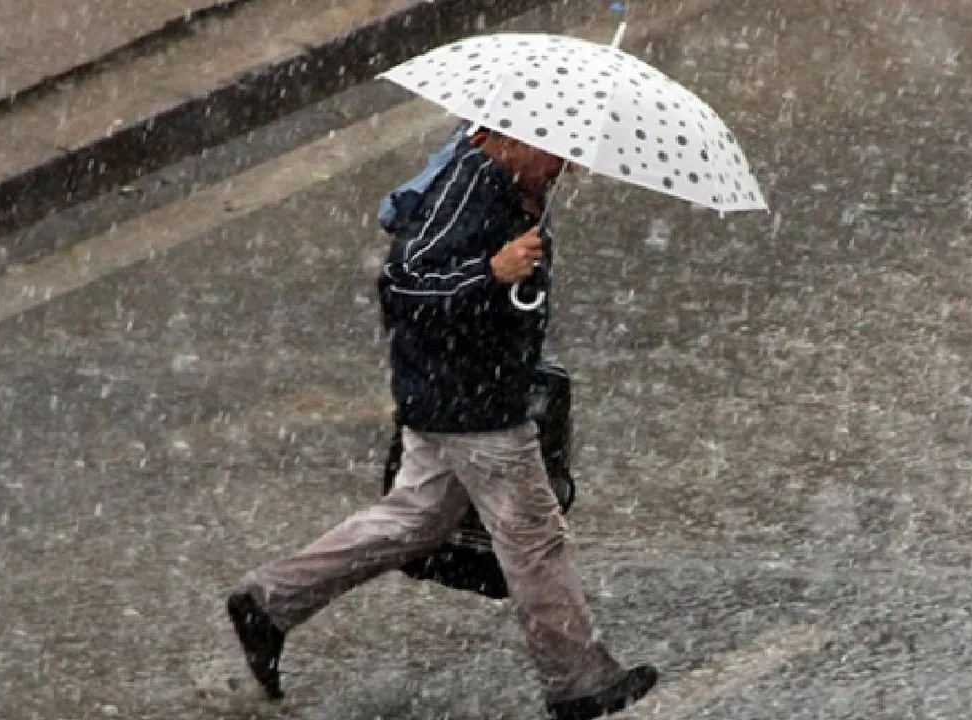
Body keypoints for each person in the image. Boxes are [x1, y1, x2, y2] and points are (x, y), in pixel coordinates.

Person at [225, 125, 659, 720]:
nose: (569, 164)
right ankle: (580, 683)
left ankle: (270, 601)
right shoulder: (470, 186)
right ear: (508, 137)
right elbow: (405, 284)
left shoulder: (503, 185)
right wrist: (492, 273)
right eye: (558, 149)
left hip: (456, 393)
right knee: (533, 538)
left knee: (417, 518)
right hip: (472, 404)